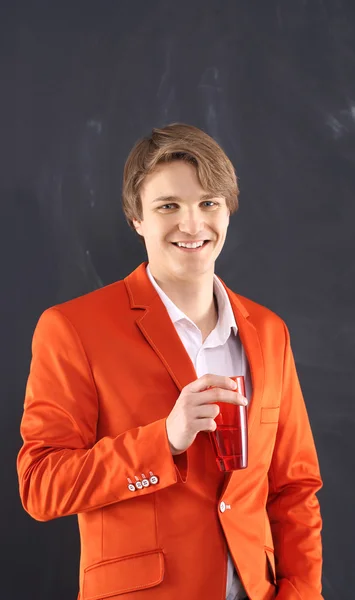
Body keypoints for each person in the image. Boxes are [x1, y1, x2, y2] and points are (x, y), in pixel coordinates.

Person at [17, 123, 323, 600]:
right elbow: (41, 486)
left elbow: (295, 488)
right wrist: (165, 440)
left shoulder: (268, 331)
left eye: (208, 203)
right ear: (136, 218)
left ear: (228, 210)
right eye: (168, 206)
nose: (192, 224)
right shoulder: (72, 328)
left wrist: (301, 595)